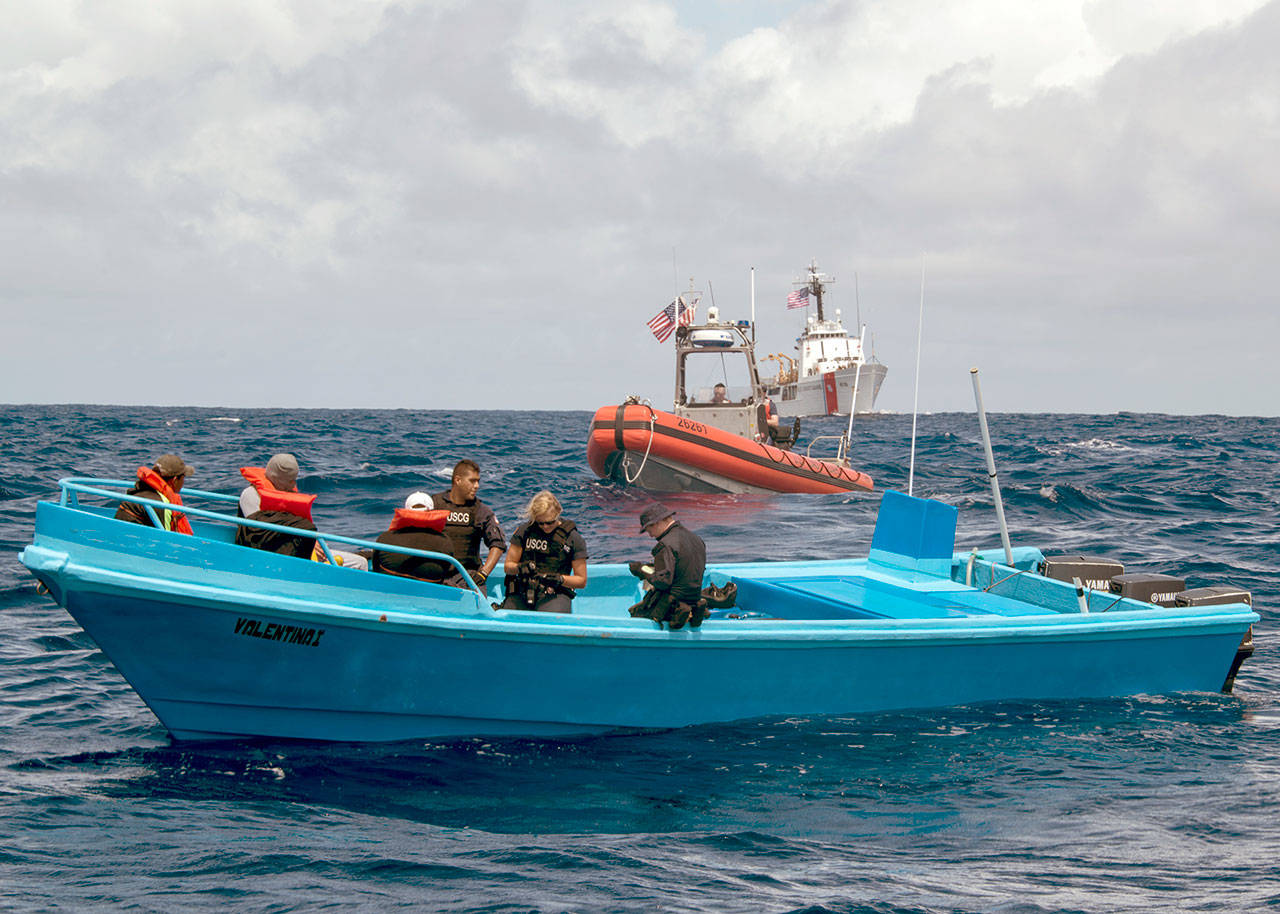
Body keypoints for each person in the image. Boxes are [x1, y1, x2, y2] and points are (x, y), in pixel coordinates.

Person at [236, 453, 369, 569]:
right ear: (277, 478)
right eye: (290, 480)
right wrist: (306, 540)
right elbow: (258, 534)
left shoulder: (287, 493)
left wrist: (314, 542)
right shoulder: (251, 495)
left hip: (302, 548)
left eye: (294, 479)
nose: (294, 485)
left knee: (360, 562)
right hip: (276, 555)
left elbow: (298, 526)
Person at [499, 491, 587, 613]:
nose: (545, 526)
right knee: (508, 618)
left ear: (558, 513)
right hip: (524, 590)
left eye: (550, 522)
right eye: (540, 523)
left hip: (554, 593)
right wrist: (521, 568)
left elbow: (581, 581)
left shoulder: (573, 538)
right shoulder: (525, 531)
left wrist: (560, 579)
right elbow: (508, 567)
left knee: (550, 619)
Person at [629, 502, 707, 630]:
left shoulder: (665, 545)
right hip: (694, 602)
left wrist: (641, 570)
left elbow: (662, 581)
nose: (651, 535)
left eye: (649, 530)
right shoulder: (696, 539)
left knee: (635, 613)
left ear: (657, 523)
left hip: (672, 606)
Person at [431, 459, 505, 588]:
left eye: (478, 481)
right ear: (458, 480)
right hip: (436, 575)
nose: (477, 486)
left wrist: (483, 574)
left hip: (467, 577)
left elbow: (498, 544)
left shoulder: (481, 511)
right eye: (472, 481)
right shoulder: (434, 505)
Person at [372, 492, 460, 585]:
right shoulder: (445, 542)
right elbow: (446, 572)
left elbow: (376, 569)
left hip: (388, 588)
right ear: (431, 512)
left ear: (406, 511)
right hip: (428, 591)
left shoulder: (385, 539)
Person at [113, 454, 195, 534]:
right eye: (183, 477)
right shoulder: (162, 503)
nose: (183, 482)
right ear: (175, 480)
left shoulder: (140, 489)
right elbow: (165, 537)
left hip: (119, 533)